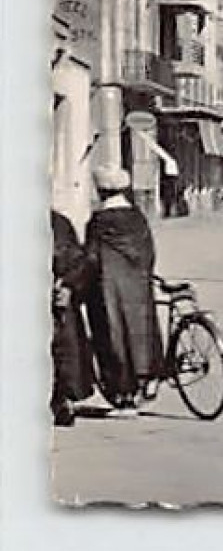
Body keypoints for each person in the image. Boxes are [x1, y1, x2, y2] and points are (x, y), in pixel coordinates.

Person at [84, 166, 163, 417]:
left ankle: (124, 395)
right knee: (142, 333)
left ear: (101, 190)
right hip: (138, 287)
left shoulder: (100, 221)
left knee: (113, 336)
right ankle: (145, 382)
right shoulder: (137, 217)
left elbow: (92, 258)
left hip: (110, 290)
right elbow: (149, 251)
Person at [50, 211, 97, 427]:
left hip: (53, 297)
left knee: (62, 349)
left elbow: (76, 261)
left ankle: (62, 399)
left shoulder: (57, 223)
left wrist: (68, 284)